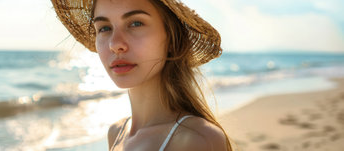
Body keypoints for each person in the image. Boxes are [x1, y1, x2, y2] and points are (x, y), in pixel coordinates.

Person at [52, 0, 232, 150]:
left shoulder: (197, 140)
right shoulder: (116, 133)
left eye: (136, 23)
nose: (115, 44)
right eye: (104, 28)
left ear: (171, 38)